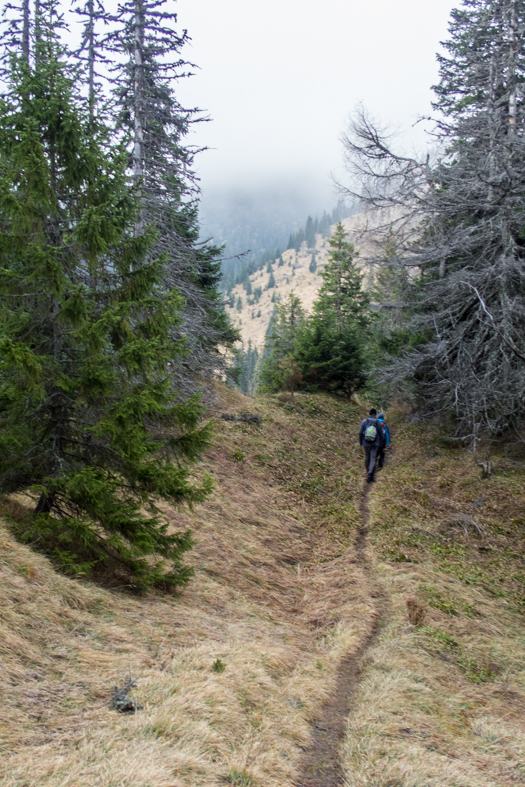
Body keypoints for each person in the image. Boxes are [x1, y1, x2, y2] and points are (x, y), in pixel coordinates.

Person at [359, 408, 385, 484]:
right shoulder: (378, 423)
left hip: (366, 442)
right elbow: (381, 434)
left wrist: (361, 442)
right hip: (375, 443)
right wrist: (380, 444)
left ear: (370, 413)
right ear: (375, 414)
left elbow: (360, 432)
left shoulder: (364, 421)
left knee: (367, 457)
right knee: (373, 458)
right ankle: (371, 474)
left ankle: (368, 470)